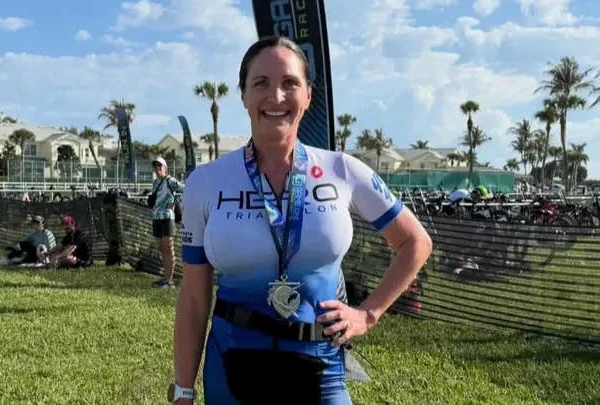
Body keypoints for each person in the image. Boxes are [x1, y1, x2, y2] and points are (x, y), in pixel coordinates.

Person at [172, 36, 433, 405]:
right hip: (232, 364)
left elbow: (415, 242)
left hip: (321, 364)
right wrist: (183, 391)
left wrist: (367, 315)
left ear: (308, 95)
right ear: (244, 95)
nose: (276, 96)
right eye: (261, 83)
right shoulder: (206, 182)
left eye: (290, 83)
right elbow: (194, 299)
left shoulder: (342, 170)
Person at [150, 156, 181, 288]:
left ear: (165, 168)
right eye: (155, 166)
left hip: (167, 217)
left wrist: (175, 201)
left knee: (168, 247)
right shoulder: (155, 183)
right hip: (156, 217)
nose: (157, 168)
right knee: (162, 248)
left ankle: (169, 280)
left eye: (160, 166)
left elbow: (185, 189)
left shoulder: (170, 180)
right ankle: (165, 278)